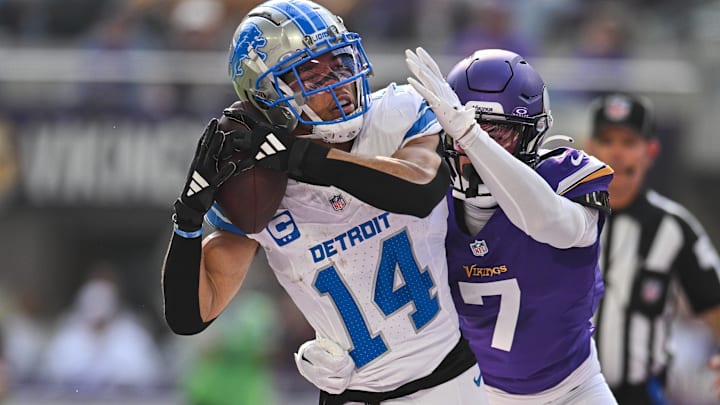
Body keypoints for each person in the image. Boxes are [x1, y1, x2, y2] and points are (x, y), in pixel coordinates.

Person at [161, 1, 488, 404]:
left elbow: (420, 190)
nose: (336, 82)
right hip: (355, 394)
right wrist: (188, 220)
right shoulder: (258, 185)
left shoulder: (397, 113)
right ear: (268, 94)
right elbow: (189, 315)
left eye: (338, 63)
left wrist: (303, 158)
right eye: (309, 74)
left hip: (460, 375)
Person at [404, 48, 618, 404]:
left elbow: (546, 221)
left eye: (497, 134)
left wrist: (470, 132)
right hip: (478, 394)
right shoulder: (431, 200)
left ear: (531, 136)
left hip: (575, 390)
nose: (475, 151)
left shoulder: (564, 178)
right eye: (462, 131)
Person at [583, 92, 720, 405]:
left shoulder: (674, 228)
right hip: (562, 393)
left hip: (641, 395)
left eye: (628, 143)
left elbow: (714, 300)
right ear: (589, 148)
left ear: (651, 151)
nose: (616, 153)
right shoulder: (558, 214)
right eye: (607, 141)